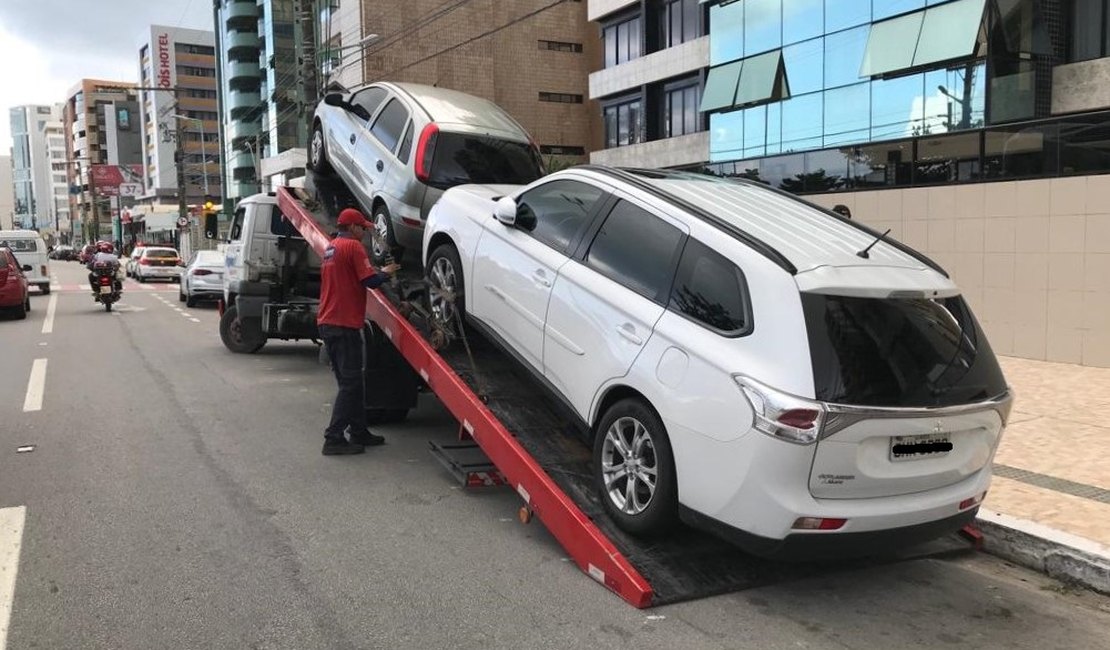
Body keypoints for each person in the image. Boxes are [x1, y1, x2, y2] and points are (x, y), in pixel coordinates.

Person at [317, 208, 401, 456]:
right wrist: (386, 273)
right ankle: (333, 438)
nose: (365, 232)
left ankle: (359, 431)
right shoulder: (353, 247)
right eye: (363, 228)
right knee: (351, 384)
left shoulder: (331, 247)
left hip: (329, 321)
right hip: (344, 324)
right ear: (353, 228)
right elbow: (369, 281)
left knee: (350, 383)